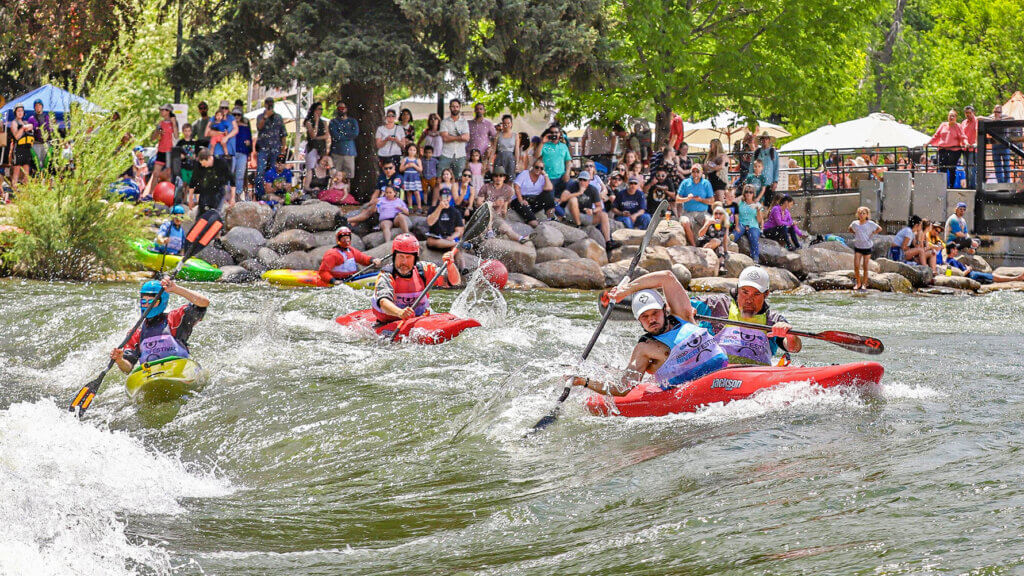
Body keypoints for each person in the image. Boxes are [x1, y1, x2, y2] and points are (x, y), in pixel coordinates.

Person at [567, 271, 729, 396]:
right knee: (625, 374)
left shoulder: (683, 315)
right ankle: (602, 370)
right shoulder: (644, 348)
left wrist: (625, 291)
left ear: (664, 310)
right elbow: (623, 388)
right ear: (639, 320)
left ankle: (610, 369)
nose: (651, 319)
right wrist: (584, 381)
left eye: (654, 313)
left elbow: (667, 277)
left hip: (722, 375)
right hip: (692, 390)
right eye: (645, 316)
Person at [689, 266, 802, 366]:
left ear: (766, 294)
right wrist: (687, 309)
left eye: (756, 294)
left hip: (755, 379)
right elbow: (679, 303)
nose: (749, 300)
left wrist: (790, 335)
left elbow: (794, 348)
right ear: (738, 289)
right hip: (714, 374)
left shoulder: (773, 320)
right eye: (745, 292)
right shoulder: (716, 305)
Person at [110, 278, 209, 373]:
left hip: (179, 369)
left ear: (162, 301)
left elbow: (203, 303)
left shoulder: (175, 319)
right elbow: (128, 368)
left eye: (153, 301)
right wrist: (120, 360)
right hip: (151, 374)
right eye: (144, 301)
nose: (147, 305)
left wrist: (176, 289)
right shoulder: (136, 332)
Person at [371, 234, 460, 323]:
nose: (404, 262)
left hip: (419, 319)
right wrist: (400, 312)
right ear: (394, 256)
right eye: (401, 256)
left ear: (415, 258)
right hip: (389, 321)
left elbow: (454, 282)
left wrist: (450, 265)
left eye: (408, 257)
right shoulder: (387, 274)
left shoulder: (424, 270)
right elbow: (383, 302)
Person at [945, 242, 1024, 284]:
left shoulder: (950, 260)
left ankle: (1016, 278)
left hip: (972, 274)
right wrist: (968, 269)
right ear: (951, 250)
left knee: (991, 276)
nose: (956, 250)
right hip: (972, 275)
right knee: (992, 276)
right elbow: (958, 275)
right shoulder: (951, 261)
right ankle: (1016, 278)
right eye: (955, 249)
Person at [255, 97, 288, 196]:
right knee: (260, 172)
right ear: (265, 104)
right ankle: (260, 195)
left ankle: (275, 194)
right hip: (263, 149)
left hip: (275, 149)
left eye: (271, 103)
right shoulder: (260, 116)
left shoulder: (278, 117)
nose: (269, 105)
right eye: (268, 103)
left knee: (275, 172)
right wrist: (266, 116)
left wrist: (283, 149)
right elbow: (259, 127)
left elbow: (283, 134)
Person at [929, 109, 967, 189]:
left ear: (956, 117)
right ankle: (943, 186)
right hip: (942, 149)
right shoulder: (943, 125)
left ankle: (951, 186)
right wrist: (928, 143)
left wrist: (966, 143)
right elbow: (936, 135)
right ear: (948, 116)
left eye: (953, 116)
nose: (951, 117)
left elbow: (963, 136)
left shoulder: (958, 126)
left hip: (954, 151)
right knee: (942, 168)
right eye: (950, 115)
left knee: (951, 168)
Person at [511, 160, 556, 226]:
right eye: (537, 167)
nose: (538, 169)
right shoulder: (525, 173)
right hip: (521, 199)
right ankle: (533, 223)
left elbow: (549, 188)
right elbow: (516, 186)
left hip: (534, 200)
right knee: (533, 222)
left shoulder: (542, 177)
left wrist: (545, 175)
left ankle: (550, 218)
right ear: (533, 167)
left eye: (541, 168)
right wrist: (521, 200)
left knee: (548, 195)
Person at [189, 148, 233, 213]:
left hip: (218, 192)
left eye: (204, 163)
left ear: (209, 158)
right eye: (201, 163)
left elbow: (231, 180)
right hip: (205, 192)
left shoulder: (221, 163)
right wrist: (190, 199)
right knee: (202, 215)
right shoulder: (199, 166)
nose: (202, 165)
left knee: (214, 214)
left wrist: (232, 198)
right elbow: (193, 182)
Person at [849, 206, 882, 291]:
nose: (861, 215)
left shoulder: (870, 223)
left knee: (865, 266)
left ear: (867, 215)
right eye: (860, 213)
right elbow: (850, 228)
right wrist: (855, 233)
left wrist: (873, 233)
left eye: (863, 213)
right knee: (856, 265)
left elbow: (879, 228)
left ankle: (864, 283)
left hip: (867, 247)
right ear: (857, 214)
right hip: (858, 247)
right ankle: (858, 282)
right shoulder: (855, 223)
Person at [537, 126, 572, 195]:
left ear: (560, 134)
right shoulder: (544, 145)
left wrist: (567, 173)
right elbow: (536, 156)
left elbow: (568, 161)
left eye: (556, 132)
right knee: (550, 201)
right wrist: (542, 142)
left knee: (564, 198)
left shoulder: (564, 146)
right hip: (548, 178)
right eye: (552, 132)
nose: (554, 134)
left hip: (562, 178)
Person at [439, 99, 470, 176]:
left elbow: (466, 138)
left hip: (460, 154)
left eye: (457, 106)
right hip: (446, 154)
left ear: (459, 107)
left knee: (459, 179)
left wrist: (450, 136)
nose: (455, 108)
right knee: (440, 177)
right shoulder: (444, 122)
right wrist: (460, 137)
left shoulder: (464, 122)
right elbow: (445, 138)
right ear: (450, 107)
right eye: (453, 106)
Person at [733, 185, 763, 263]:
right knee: (734, 235)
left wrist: (758, 210)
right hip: (742, 224)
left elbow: (759, 220)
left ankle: (755, 259)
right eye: (746, 192)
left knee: (754, 237)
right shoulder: (740, 203)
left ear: (753, 194)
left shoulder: (757, 204)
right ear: (744, 193)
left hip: (753, 225)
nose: (748, 194)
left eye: (751, 192)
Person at [329, 100, 359, 179]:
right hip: (336, 153)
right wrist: (348, 135)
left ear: (346, 109)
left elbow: (355, 133)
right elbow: (335, 136)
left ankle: (346, 191)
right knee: (335, 176)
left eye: (342, 108)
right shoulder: (333, 122)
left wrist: (341, 133)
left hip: (350, 152)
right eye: (339, 108)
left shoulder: (353, 121)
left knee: (348, 177)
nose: (341, 109)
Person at [8, 105, 33, 189]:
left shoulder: (26, 122)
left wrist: (27, 126)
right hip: (18, 149)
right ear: (15, 112)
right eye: (18, 111)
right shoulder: (14, 123)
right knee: (16, 171)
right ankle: (14, 190)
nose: (20, 112)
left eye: (21, 111)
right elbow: (17, 136)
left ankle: (25, 193)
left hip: (27, 150)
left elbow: (31, 128)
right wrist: (23, 128)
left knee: (26, 172)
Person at [231, 107, 253, 202]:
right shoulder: (229, 126)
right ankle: (230, 196)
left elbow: (250, 141)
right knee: (230, 175)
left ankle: (238, 194)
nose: (236, 116)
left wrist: (249, 145)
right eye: (234, 114)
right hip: (232, 153)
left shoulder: (245, 127)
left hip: (243, 153)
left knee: (240, 175)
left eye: (238, 114)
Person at [26, 99, 52, 172]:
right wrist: (34, 128)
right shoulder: (31, 118)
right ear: (34, 108)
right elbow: (28, 131)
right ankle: (37, 180)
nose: (38, 107)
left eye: (39, 105)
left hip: (46, 143)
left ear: (42, 106)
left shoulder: (47, 117)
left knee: (47, 164)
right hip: (36, 144)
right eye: (36, 106)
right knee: (37, 164)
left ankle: (46, 180)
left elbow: (51, 129)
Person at [753, 134, 780, 206]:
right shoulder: (757, 152)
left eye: (766, 138)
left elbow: (776, 168)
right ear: (761, 140)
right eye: (763, 138)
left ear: (769, 140)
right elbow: (751, 167)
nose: (764, 140)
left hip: (769, 182)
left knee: (769, 204)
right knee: (757, 204)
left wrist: (775, 181)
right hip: (758, 182)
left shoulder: (773, 152)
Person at [303, 102, 329, 171]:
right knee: (311, 170)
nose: (320, 111)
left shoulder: (324, 122)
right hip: (312, 148)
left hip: (322, 148)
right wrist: (316, 121)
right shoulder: (308, 122)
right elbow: (313, 135)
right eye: (319, 109)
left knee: (321, 170)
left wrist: (317, 138)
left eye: (321, 109)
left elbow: (326, 136)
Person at [400, 143, 424, 212]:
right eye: (410, 149)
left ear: (416, 151)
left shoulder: (418, 160)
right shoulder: (405, 159)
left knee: (416, 192)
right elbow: (401, 169)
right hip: (407, 177)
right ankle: (410, 206)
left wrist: (414, 166)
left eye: (414, 150)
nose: (412, 151)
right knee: (409, 192)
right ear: (407, 150)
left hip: (415, 178)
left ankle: (419, 207)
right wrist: (406, 166)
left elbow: (420, 169)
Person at [990, 105, 1011, 184]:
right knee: (997, 166)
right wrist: (993, 119)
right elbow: (980, 118)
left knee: (1006, 165)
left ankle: (1007, 183)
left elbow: (1012, 118)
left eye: (998, 112)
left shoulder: (1005, 116)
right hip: (995, 145)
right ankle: (1000, 183)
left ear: (1001, 112)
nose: (996, 113)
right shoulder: (991, 117)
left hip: (1004, 145)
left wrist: (1000, 119)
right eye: (995, 112)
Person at [960, 105, 978, 188]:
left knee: (972, 168)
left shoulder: (976, 121)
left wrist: (975, 143)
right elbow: (962, 134)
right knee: (965, 168)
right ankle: (968, 186)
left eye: (969, 113)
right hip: (965, 148)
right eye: (966, 113)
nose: (968, 114)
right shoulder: (963, 123)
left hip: (973, 150)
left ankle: (972, 187)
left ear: (973, 113)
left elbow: (978, 132)